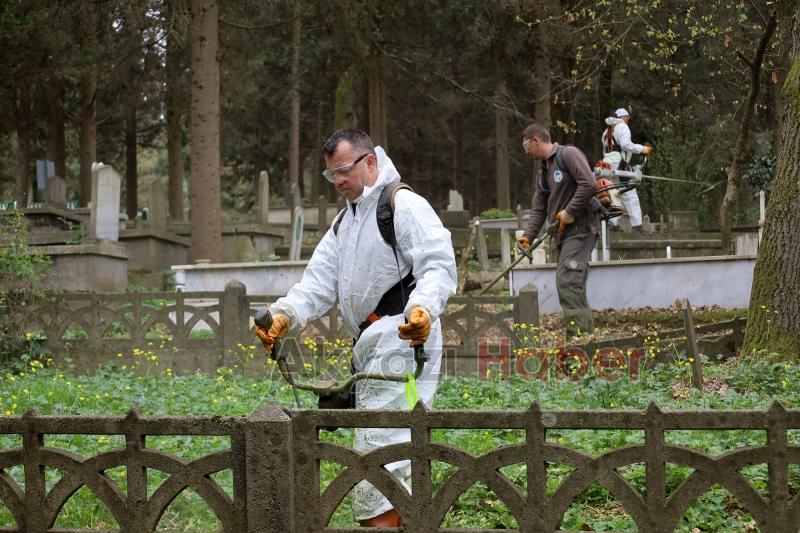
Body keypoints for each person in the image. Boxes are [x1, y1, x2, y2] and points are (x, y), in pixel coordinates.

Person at [255, 128, 457, 527]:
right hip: (372, 343)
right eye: (331, 175)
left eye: (344, 171)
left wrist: (423, 309)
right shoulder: (345, 223)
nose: (338, 181)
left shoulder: (403, 204)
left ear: (369, 161)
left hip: (403, 337)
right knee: (389, 443)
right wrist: (285, 314)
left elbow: (437, 262)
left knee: (382, 445)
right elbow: (317, 282)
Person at [518, 123, 599, 339]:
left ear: (536, 140)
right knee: (572, 284)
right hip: (562, 234)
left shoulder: (568, 154)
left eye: (526, 145)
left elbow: (588, 183)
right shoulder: (544, 172)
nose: (525, 151)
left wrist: (570, 211)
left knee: (568, 282)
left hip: (581, 228)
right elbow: (538, 208)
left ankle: (577, 340)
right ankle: (586, 338)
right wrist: (528, 236)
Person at [601, 107, 653, 231]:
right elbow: (625, 145)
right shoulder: (622, 126)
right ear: (623, 117)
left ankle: (611, 223)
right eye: (627, 118)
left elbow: (607, 150)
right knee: (630, 194)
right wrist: (642, 149)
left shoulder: (607, 131)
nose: (628, 120)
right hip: (619, 165)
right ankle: (637, 225)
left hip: (607, 165)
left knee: (614, 194)